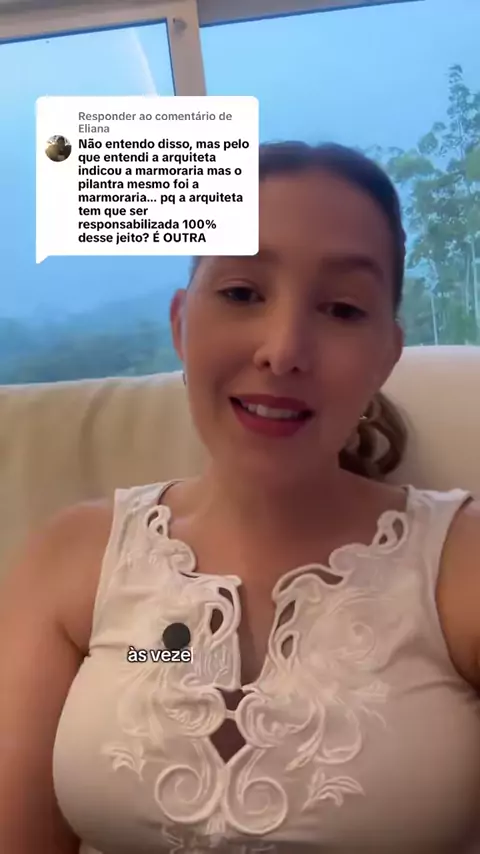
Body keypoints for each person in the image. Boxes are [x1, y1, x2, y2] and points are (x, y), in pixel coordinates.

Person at [1, 141, 480, 854]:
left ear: (387, 353)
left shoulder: (459, 566)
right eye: (241, 293)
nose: (283, 350)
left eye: (342, 308)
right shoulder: (72, 559)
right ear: (180, 325)